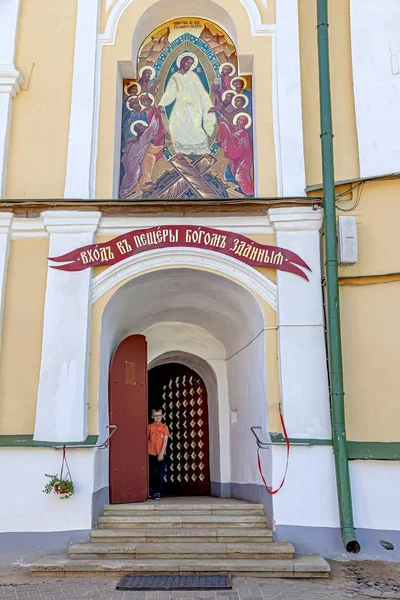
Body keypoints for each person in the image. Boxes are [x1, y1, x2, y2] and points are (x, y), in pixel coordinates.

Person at [158, 53, 216, 155]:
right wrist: (161, 104)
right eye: (187, 63)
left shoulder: (193, 76)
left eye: (191, 64)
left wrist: (208, 106)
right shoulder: (174, 77)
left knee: (194, 128)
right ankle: (180, 153)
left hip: (193, 108)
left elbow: (201, 92)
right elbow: (169, 94)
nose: (189, 65)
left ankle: (199, 153)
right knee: (175, 125)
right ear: (182, 62)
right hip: (180, 107)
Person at [209, 107, 254, 197]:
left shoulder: (243, 133)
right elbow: (227, 124)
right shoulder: (236, 129)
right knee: (227, 175)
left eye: (241, 120)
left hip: (244, 159)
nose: (238, 121)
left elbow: (234, 140)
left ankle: (249, 193)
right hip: (236, 159)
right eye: (238, 119)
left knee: (239, 175)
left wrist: (225, 128)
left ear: (245, 123)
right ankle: (239, 188)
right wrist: (218, 112)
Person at [120, 112, 161, 198]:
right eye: (141, 127)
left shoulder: (134, 140)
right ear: (139, 130)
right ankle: (127, 192)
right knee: (134, 176)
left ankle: (128, 191)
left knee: (131, 176)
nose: (143, 127)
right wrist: (155, 116)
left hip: (130, 162)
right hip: (133, 162)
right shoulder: (142, 138)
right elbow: (151, 129)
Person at [148, 408, 169, 500]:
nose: (157, 417)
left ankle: (158, 492)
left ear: (162, 416)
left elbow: (165, 441)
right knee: (153, 473)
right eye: (155, 416)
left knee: (160, 474)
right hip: (151, 453)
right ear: (152, 417)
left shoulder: (164, 427)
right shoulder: (149, 427)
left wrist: (161, 454)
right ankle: (151, 490)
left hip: (161, 454)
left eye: (159, 415)